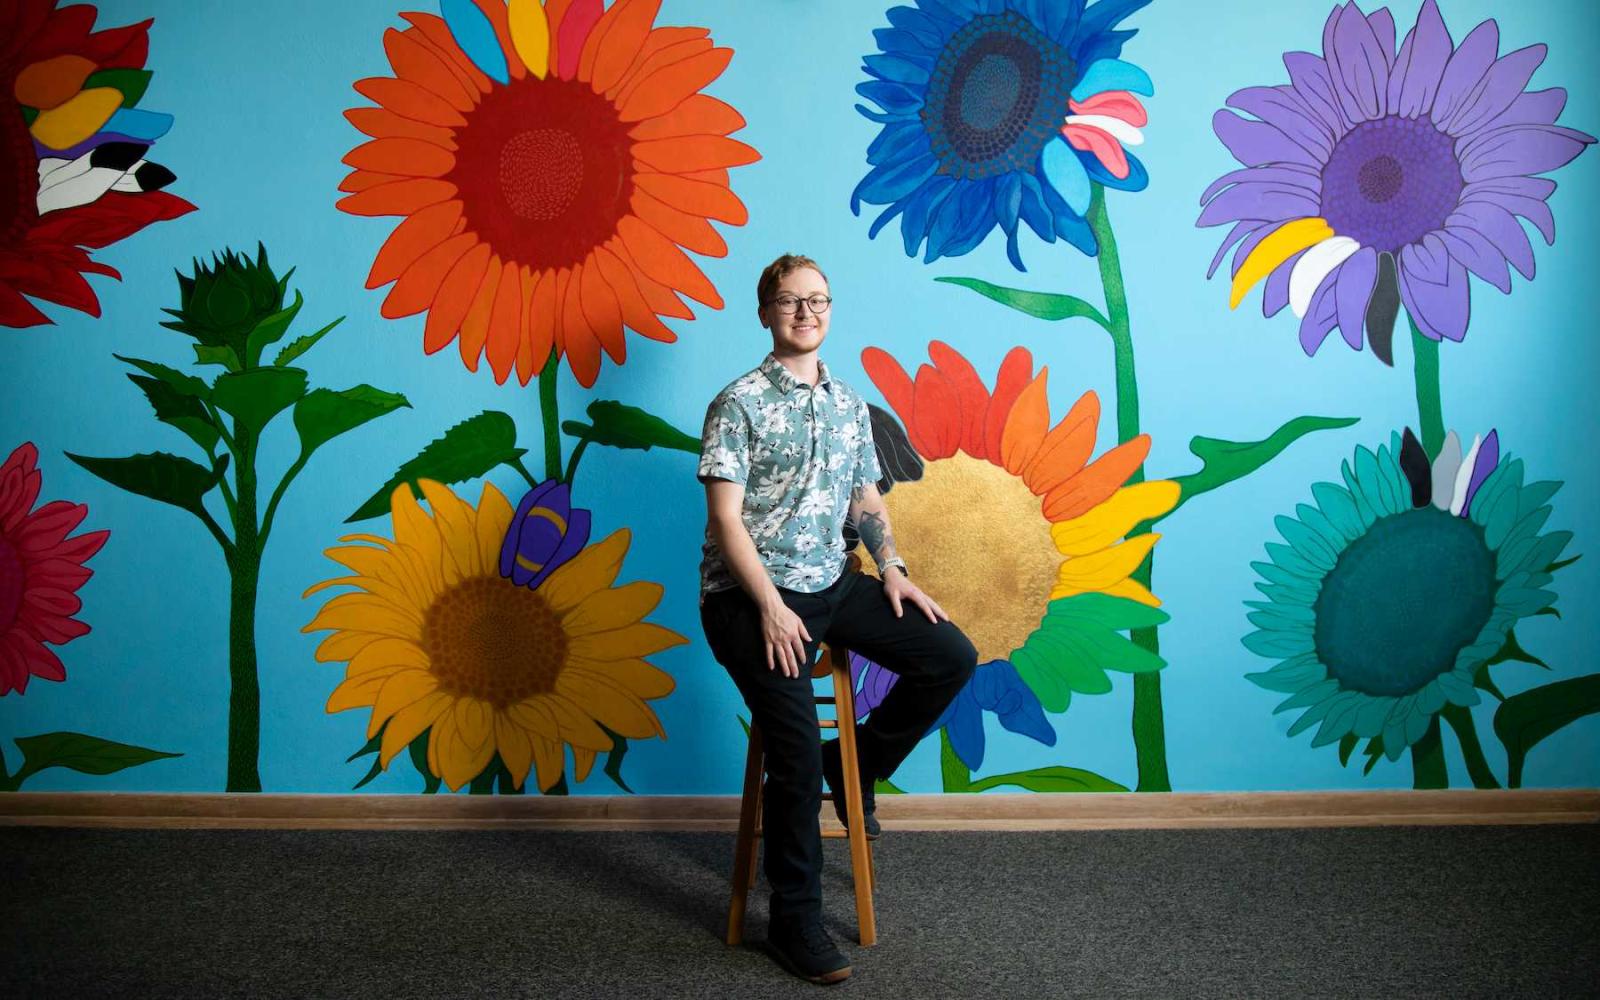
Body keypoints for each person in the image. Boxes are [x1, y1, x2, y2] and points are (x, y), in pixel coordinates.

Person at [697, 253, 978, 984]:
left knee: (950, 655)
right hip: (746, 595)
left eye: (818, 301)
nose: (806, 313)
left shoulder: (851, 406)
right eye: (790, 301)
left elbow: (867, 501)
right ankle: (794, 921)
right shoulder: (739, 403)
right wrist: (769, 608)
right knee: (790, 747)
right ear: (764, 312)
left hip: (834, 580)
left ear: (831, 309)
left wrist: (892, 571)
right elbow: (726, 522)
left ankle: (852, 769)